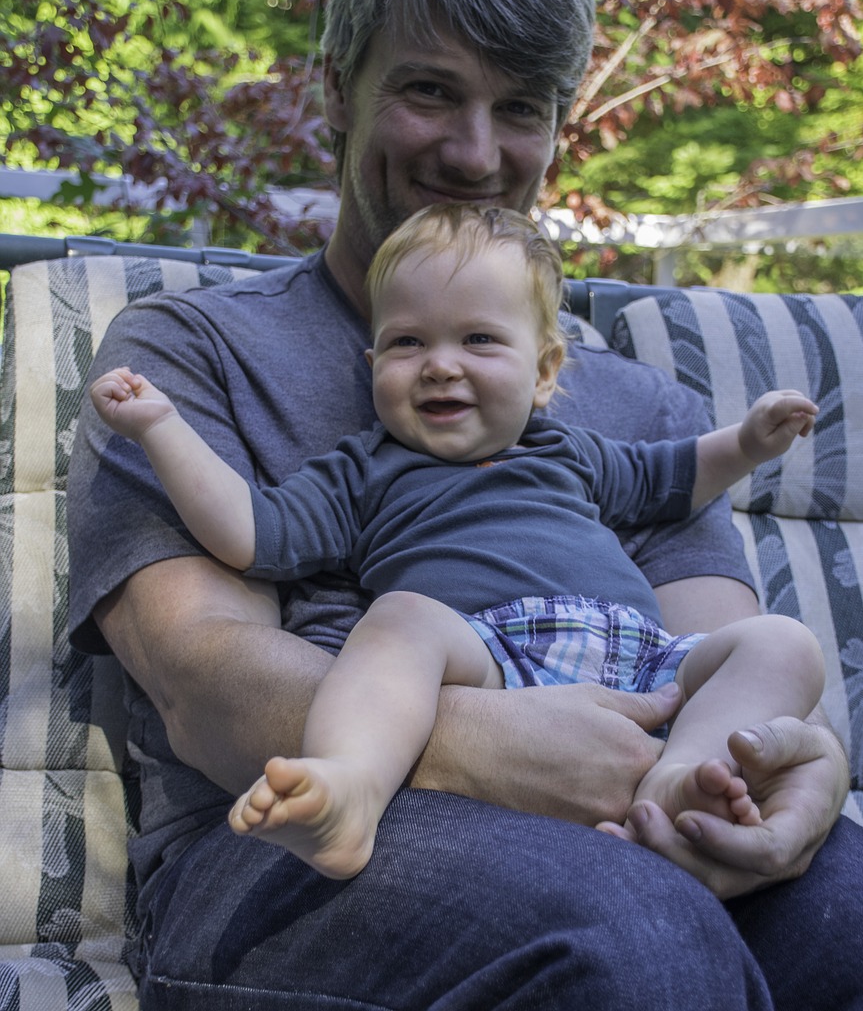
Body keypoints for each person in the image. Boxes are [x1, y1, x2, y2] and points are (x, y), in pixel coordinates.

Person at [67, 0, 863, 1010]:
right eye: (427, 90)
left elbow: (722, 656)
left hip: (627, 805)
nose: (473, 151)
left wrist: (798, 768)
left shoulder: (631, 403)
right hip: (286, 848)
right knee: (632, 941)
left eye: (519, 106)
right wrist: (466, 740)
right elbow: (201, 678)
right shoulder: (191, 351)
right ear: (335, 91)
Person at [89, 203, 826, 882]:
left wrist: (749, 441)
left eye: (478, 339)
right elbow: (248, 532)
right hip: (489, 660)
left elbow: (680, 476)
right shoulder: (364, 471)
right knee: (401, 620)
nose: (441, 363)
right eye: (408, 342)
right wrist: (162, 428)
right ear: (375, 368)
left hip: (636, 658)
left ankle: (682, 781)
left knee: (783, 643)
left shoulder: (573, 451)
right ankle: (350, 784)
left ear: (543, 373)